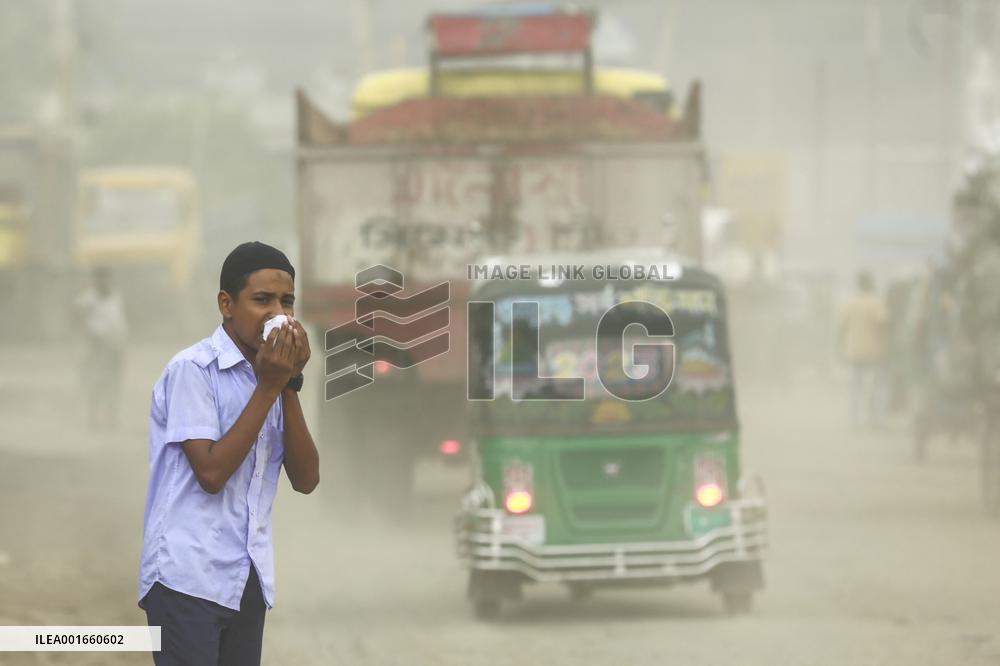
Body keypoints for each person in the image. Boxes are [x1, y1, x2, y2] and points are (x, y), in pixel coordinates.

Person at [137, 241, 320, 666]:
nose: (278, 313)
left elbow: (307, 479)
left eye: (287, 301)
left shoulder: (272, 375)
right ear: (226, 304)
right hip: (186, 579)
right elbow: (212, 472)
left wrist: (289, 382)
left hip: (245, 580)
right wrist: (270, 385)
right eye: (262, 300)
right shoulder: (193, 371)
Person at [75, 266, 128, 431]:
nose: (105, 282)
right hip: (97, 348)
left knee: (113, 383)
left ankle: (111, 419)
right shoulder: (87, 299)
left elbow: (119, 321)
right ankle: (93, 419)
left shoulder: (116, 296)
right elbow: (76, 318)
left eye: (107, 278)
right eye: (101, 279)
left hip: (115, 346)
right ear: (95, 281)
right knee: (96, 383)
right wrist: (88, 335)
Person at [838, 271, 888, 431]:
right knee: (877, 387)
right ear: (871, 284)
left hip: (852, 350)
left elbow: (842, 327)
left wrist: (839, 348)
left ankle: (855, 422)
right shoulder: (876, 303)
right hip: (873, 350)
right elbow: (882, 324)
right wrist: (886, 346)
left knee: (855, 388)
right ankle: (877, 421)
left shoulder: (849, 303)